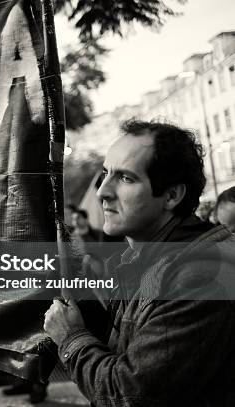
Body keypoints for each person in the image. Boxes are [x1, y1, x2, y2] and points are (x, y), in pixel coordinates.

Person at [44, 119, 235, 406]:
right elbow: (126, 348)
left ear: (171, 195)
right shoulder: (143, 258)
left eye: (125, 178)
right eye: (106, 173)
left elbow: (127, 393)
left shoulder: (202, 275)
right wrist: (83, 308)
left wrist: (72, 337)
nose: (102, 191)